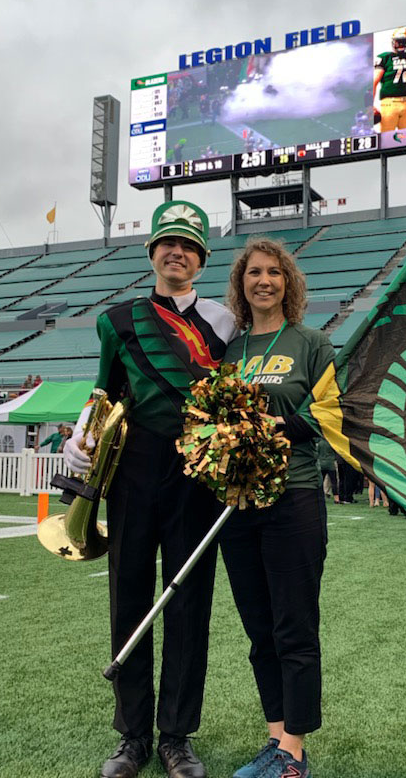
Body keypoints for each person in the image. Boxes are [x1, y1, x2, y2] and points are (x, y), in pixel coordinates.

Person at [63, 200, 236, 778]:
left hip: (198, 474)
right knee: (129, 597)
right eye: (167, 242)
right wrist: (83, 436)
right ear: (151, 252)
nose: (176, 252)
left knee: (189, 602)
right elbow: (105, 391)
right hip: (133, 472)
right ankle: (132, 736)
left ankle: (177, 736)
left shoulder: (224, 325)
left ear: (202, 259)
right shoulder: (116, 320)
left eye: (188, 244)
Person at [220, 238, 335, 778]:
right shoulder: (230, 353)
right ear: (241, 285)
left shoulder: (311, 344)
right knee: (259, 627)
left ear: (288, 282)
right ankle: (273, 739)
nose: (263, 280)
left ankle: (293, 750)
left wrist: (276, 426)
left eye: (274, 273)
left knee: (294, 625)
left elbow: (332, 414)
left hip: (294, 495)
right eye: (253, 273)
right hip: (237, 504)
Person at [373, 27, 406, 133]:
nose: (399, 45)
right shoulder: (386, 58)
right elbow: (374, 82)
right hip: (390, 104)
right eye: (398, 42)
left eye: (402, 42)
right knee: (386, 141)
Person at [317, 438, 339, 504]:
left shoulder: (320, 443)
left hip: (321, 464)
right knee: (334, 482)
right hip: (331, 464)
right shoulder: (332, 443)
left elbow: (317, 453)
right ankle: (336, 498)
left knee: (320, 481)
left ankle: (319, 497)